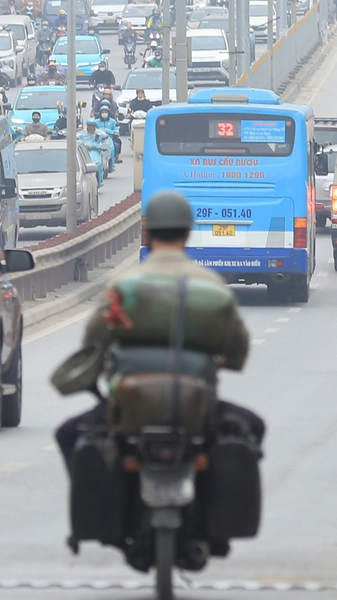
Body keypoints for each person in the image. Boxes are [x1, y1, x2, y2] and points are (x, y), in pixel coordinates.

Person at [50, 191, 252, 460]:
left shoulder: (123, 286)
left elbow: (92, 345)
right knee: (253, 429)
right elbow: (238, 355)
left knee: (69, 434)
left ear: (147, 233)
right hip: (199, 409)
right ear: (188, 233)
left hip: (127, 407)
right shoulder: (213, 286)